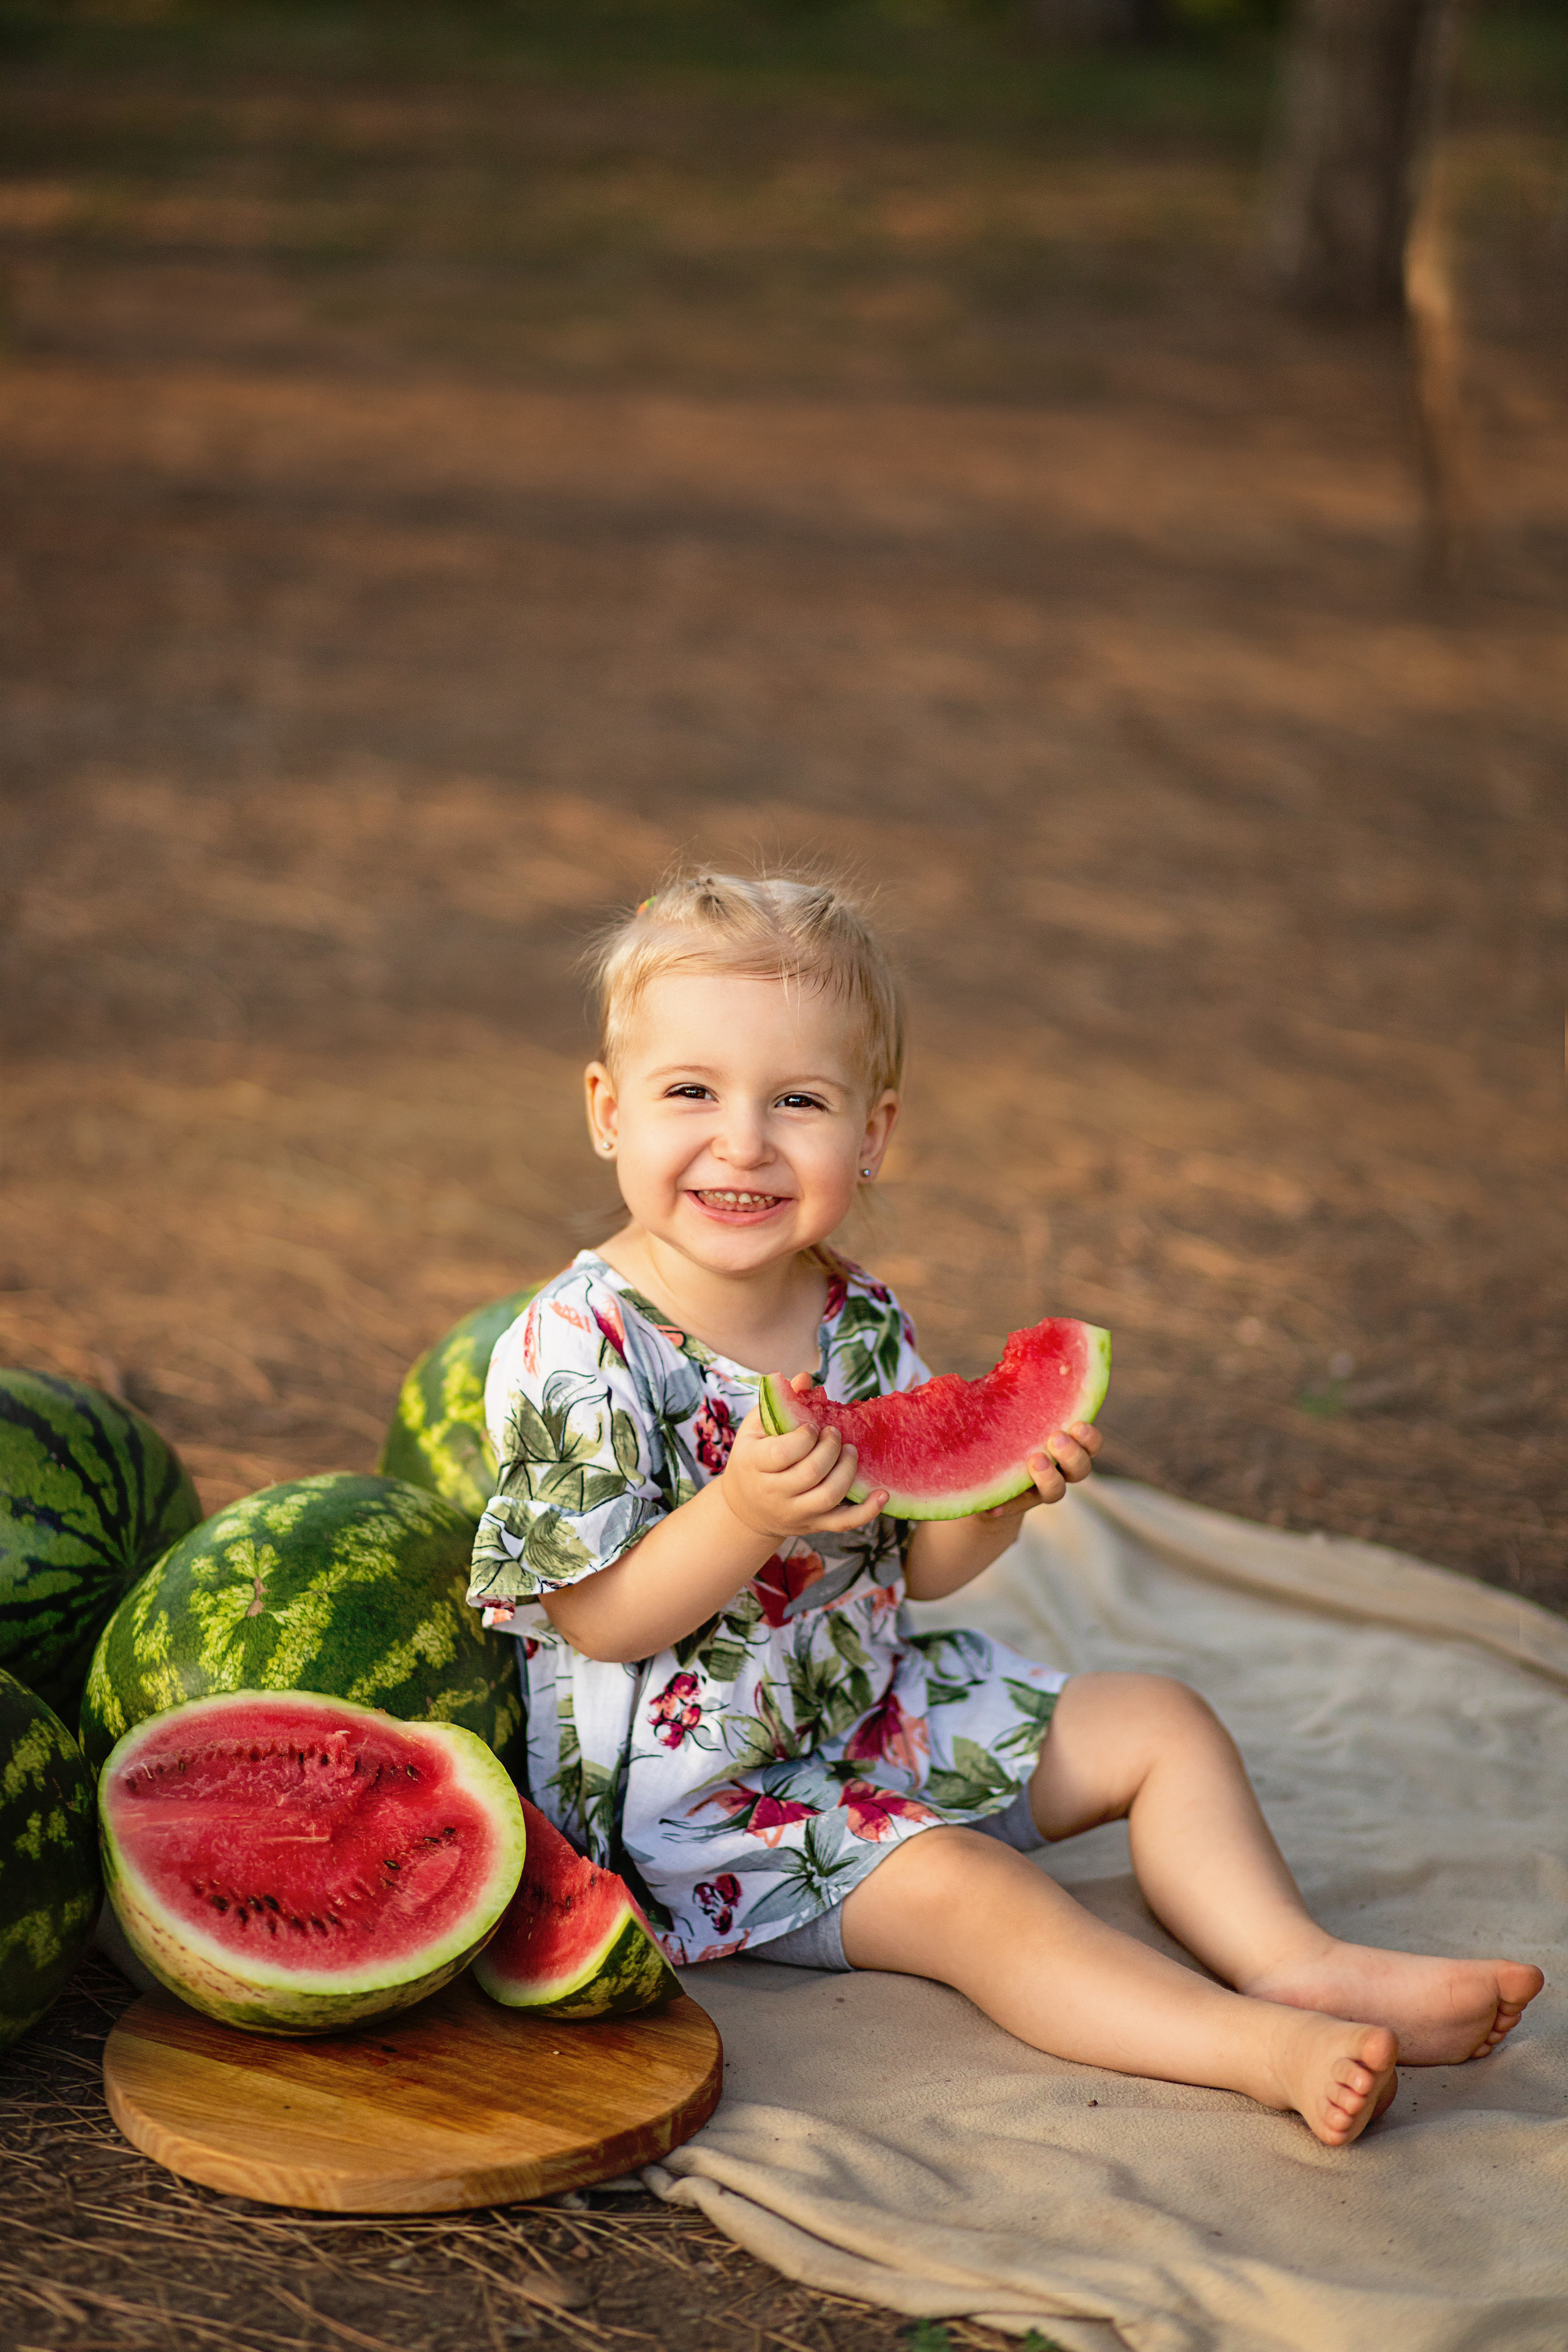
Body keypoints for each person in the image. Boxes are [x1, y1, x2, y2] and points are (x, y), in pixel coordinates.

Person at [467, 869, 1542, 2149]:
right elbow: (593, 1616)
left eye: (797, 1102)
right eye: (690, 1092)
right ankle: (1251, 2049)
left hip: (871, 1709)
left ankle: (1289, 1959)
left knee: (1156, 1719)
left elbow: (917, 1573)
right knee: (971, 1891)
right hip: (699, 1816)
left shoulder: (858, 1318)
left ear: (872, 1136)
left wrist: (1000, 1500)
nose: (743, 1142)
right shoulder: (573, 1346)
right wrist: (742, 1513)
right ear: (607, 1111)